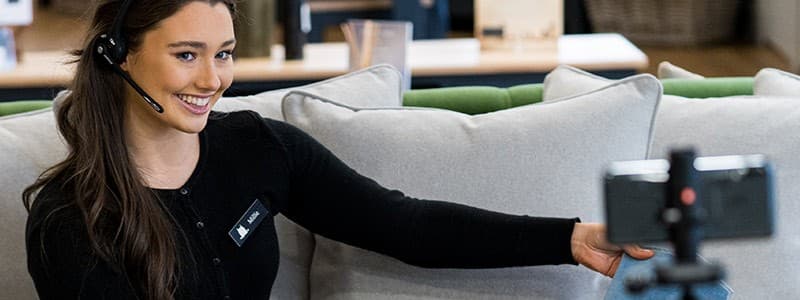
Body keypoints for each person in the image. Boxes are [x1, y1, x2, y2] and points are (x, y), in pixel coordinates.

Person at [23, 0, 654, 299]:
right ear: (117, 55)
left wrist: (569, 238)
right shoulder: (70, 216)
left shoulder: (258, 148)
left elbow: (408, 226)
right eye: (186, 55)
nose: (213, 80)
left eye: (223, 54)